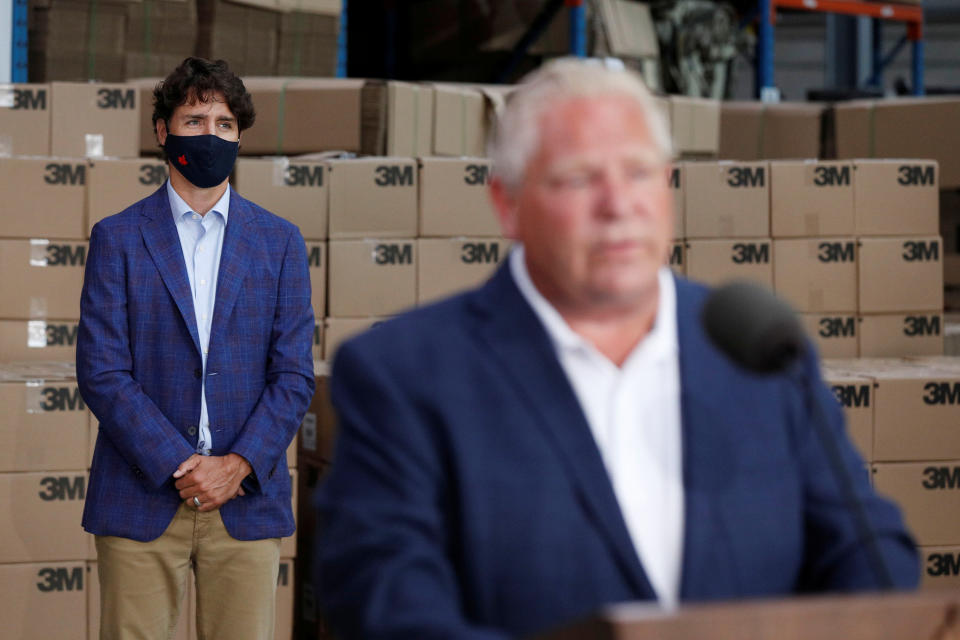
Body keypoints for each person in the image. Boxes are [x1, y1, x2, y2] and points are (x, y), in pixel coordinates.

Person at [314, 59, 919, 639]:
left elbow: (866, 549)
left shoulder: (758, 351)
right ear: (508, 204)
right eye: (579, 178)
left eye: (637, 172)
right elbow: (384, 600)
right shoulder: (408, 375)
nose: (618, 205)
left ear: (669, 185)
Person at [77, 57, 315, 640]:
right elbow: (103, 371)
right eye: (194, 119)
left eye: (225, 124)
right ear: (163, 131)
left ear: (240, 136)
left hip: (245, 496)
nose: (211, 134)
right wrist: (182, 466)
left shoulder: (279, 243)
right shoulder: (119, 238)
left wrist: (234, 467)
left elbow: (293, 376)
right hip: (143, 491)